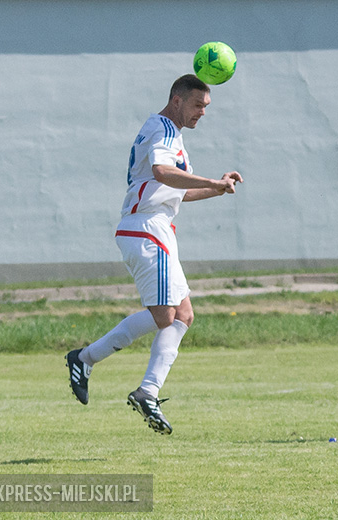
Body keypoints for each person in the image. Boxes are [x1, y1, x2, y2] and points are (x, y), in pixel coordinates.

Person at [65, 74, 243, 435]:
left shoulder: (173, 136)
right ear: (176, 100)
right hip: (145, 229)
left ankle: (128, 381)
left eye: (206, 107)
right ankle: (111, 374)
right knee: (166, 316)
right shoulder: (162, 127)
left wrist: (218, 189)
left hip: (158, 228)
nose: (202, 113)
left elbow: (175, 190)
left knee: (182, 315)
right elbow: (163, 172)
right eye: (197, 105)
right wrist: (211, 181)